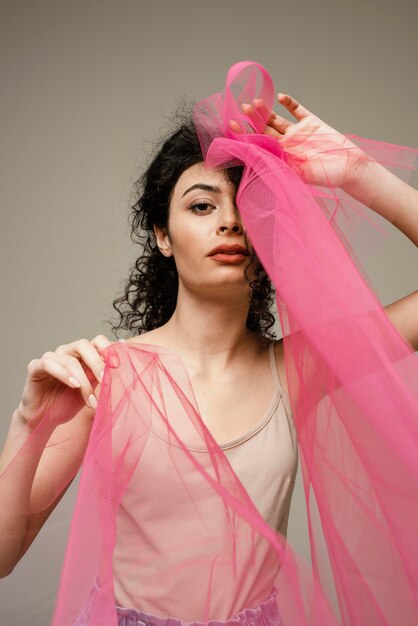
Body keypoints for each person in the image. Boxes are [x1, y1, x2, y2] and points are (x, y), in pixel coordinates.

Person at [1, 61, 418, 626]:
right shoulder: (105, 375)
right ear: (162, 236)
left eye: (247, 205)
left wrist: (360, 174)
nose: (229, 222)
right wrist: (28, 427)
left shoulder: (298, 371)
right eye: (201, 205)